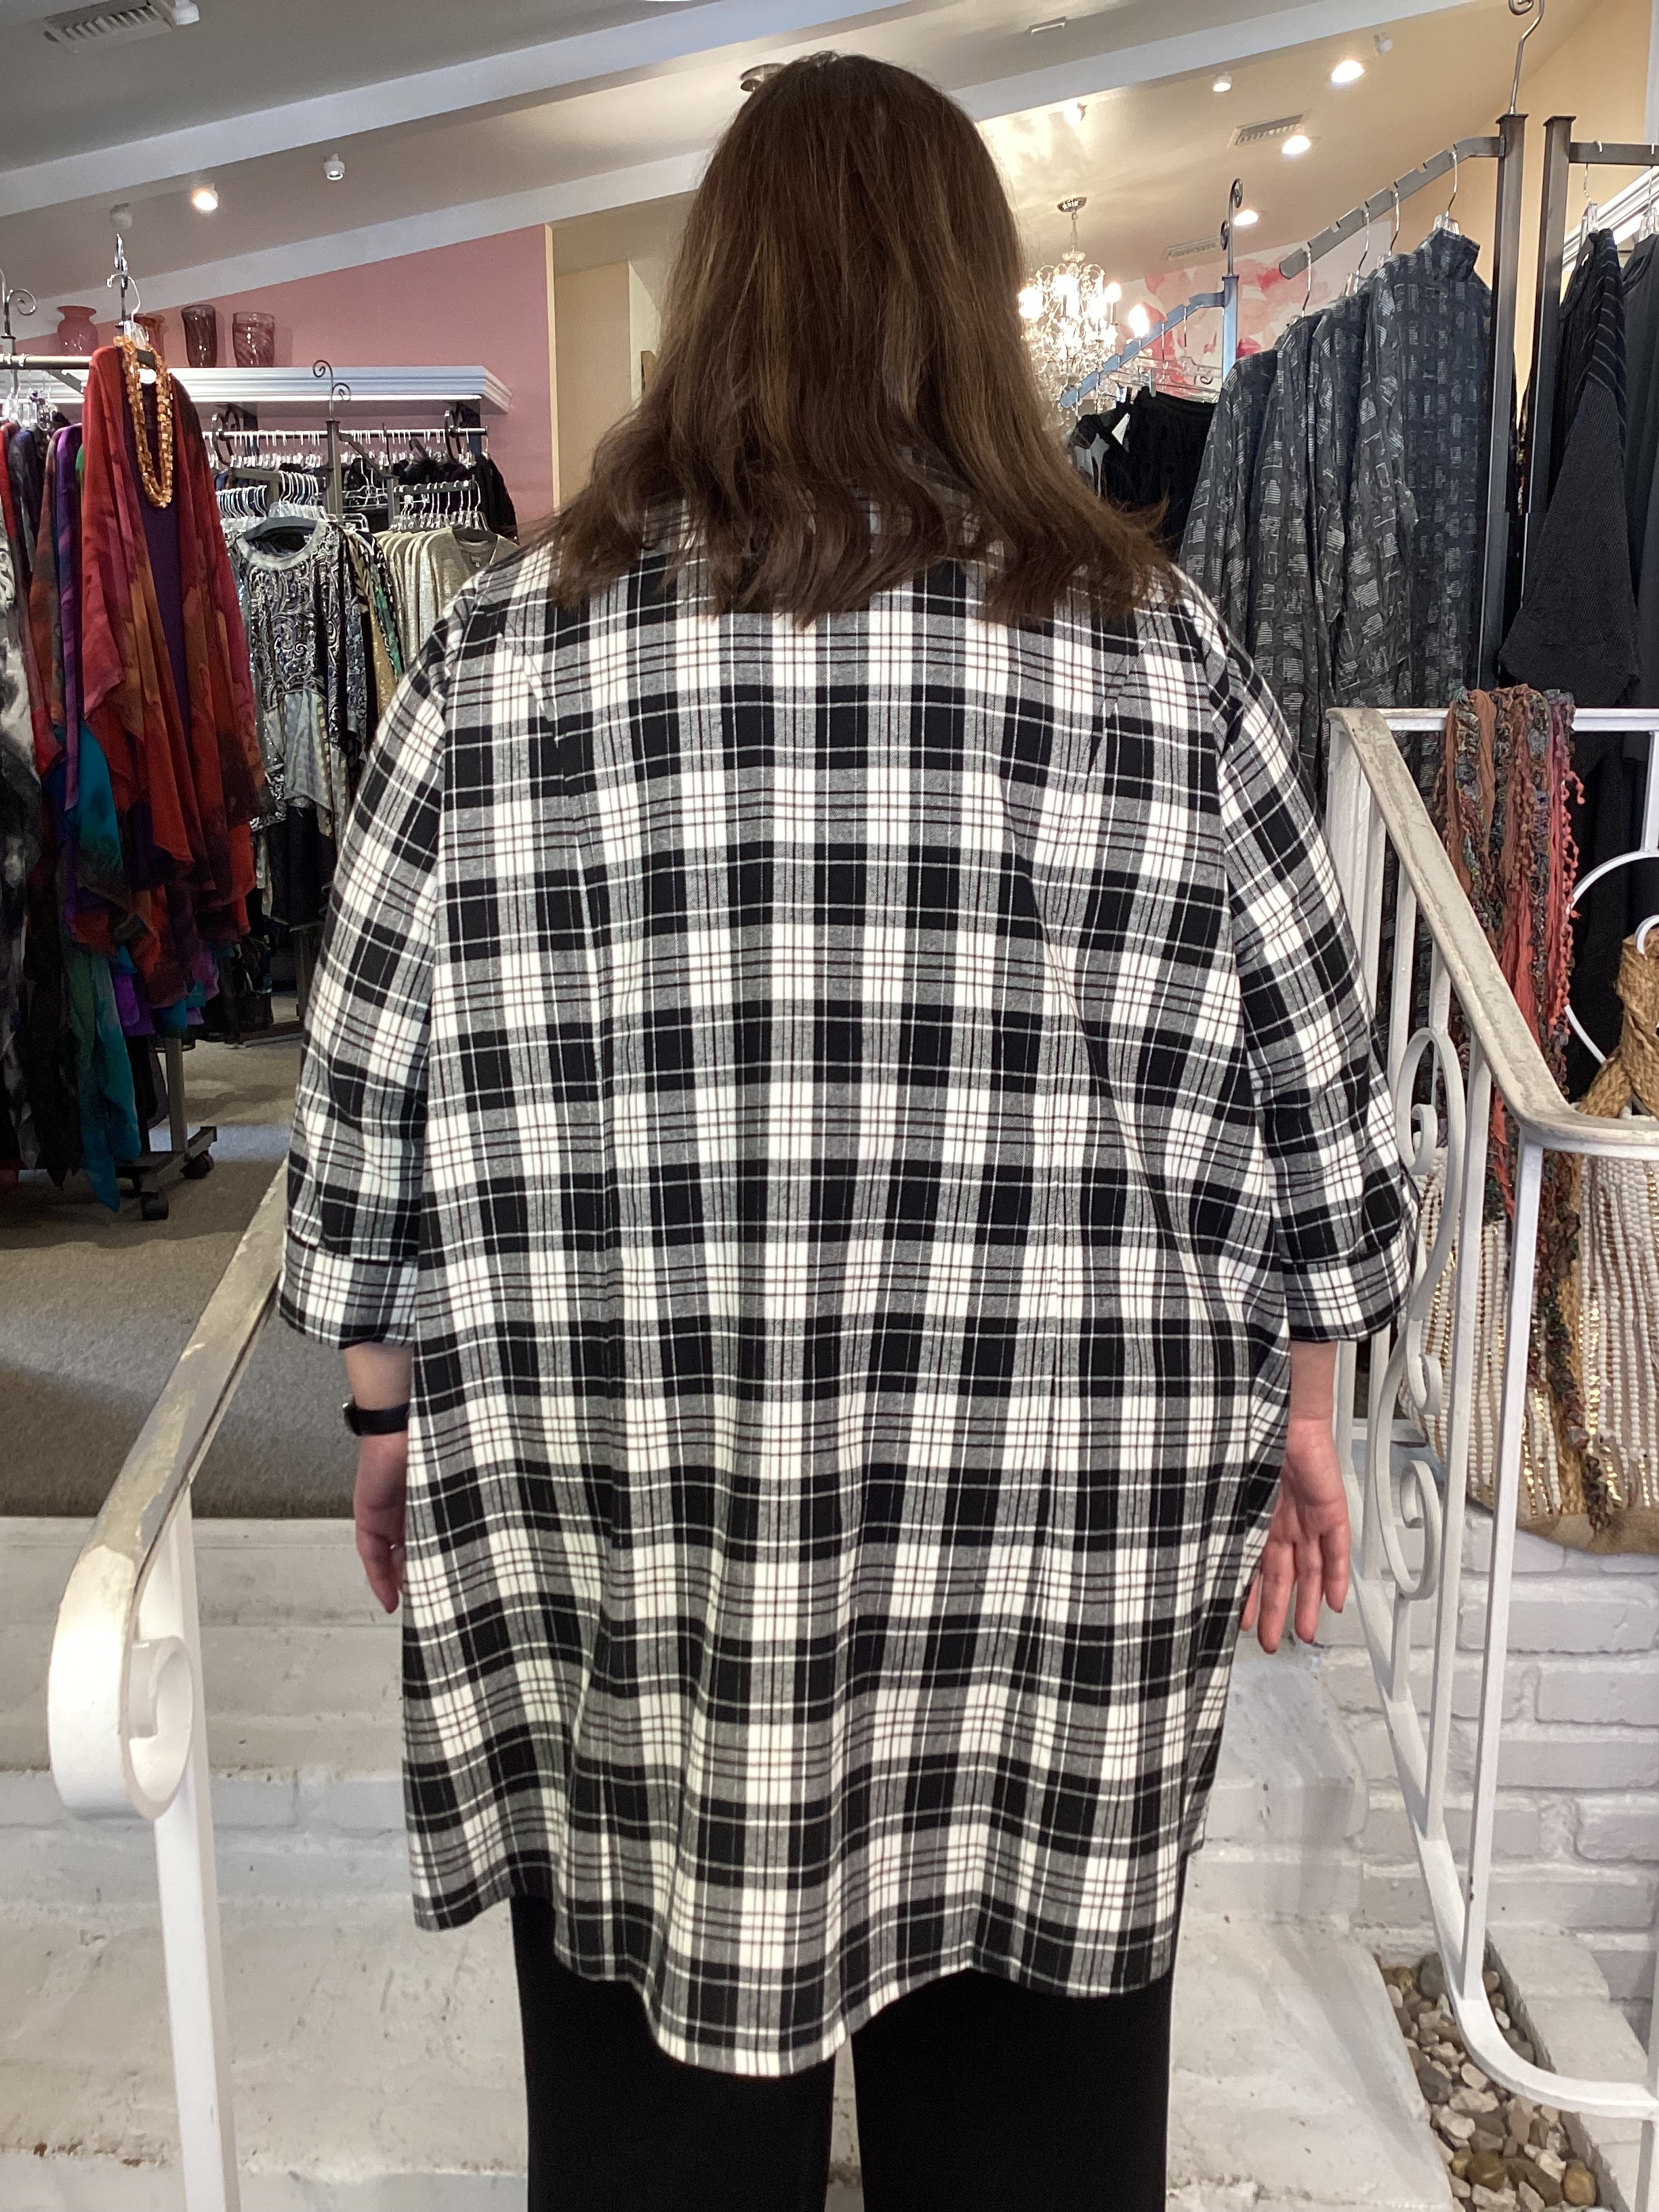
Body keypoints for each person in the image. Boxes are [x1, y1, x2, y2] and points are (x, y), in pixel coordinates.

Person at [282, 51, 1413, 2212]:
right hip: (1053, 1544)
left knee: (652, 2120)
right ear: (969, 305)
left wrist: (382, 1404)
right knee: (1034, 2119)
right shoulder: (1154, 654)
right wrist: (1310, 1409)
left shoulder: (496, 656)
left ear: (716, 292)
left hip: (632, 1526)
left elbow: (360, 1095)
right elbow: (1319, 1106)